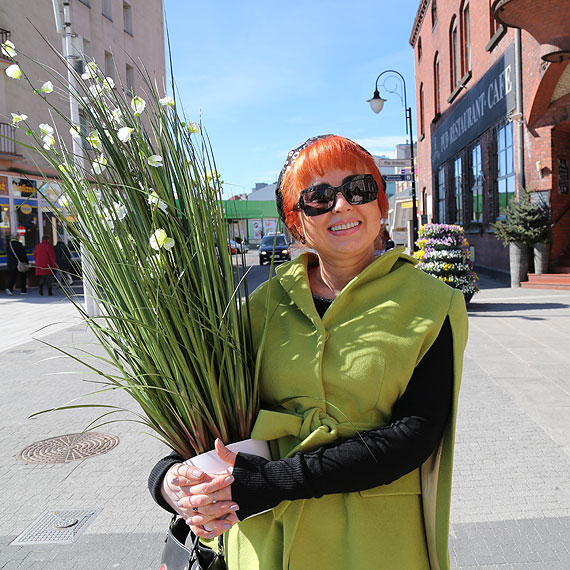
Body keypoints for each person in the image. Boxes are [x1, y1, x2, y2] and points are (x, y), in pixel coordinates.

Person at [148, 135, 468, 570]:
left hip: (376, 539)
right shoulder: (259, 306)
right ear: (296, 221)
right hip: (266, 540)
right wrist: (170, 480)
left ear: (381, 204)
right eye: (318, 197)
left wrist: (275, 480)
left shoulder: (432, 304)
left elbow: (415, 435)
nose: (341, 206)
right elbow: (210, 412)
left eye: (359, 189)